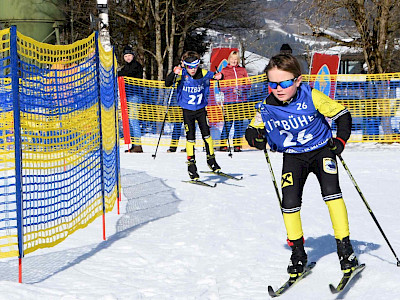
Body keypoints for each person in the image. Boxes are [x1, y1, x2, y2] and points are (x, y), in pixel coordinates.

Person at [245, 54, 359, 277]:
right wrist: (256, 139)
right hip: (293, 156)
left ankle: (345, 249)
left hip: (321, 150)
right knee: (289, 202)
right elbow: (251, 130)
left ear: (297, 81)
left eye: (285, 82)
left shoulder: (311, 95)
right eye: (273, 83)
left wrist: (340, 140)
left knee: (331, 193)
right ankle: (298, 252)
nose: (279, 88)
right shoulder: (267, 106)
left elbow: (343, 115)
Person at [165, 51, 223, 180]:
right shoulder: (182, 73)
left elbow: (216, 76)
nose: (193, 70)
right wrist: (173, 73)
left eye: (195, 67)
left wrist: (220, 75)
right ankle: (191, 166)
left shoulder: (202, 73)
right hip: (187, 111)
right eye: (190, 67)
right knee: (190, 138)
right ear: (185, 66)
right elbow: (167, 83)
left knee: (207, 135)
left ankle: (211, 160)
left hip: (201, 109)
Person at [219, 50, 250, 152]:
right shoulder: (224, 71)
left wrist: (242, 89)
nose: (234, 61)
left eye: (236, 59)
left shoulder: (242, 70)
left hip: (241, 100)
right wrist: (231, 89)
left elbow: (248, 84)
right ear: (229, 59)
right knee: (228, 123)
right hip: (229, 100)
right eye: (232, 59)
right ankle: (223, 144)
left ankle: (237, 145)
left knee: (239, 123)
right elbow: (221, 87)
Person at [118, 45, 144, 153]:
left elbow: (127, 74)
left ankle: (137, 145)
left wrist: (117, 73)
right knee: (129, 120)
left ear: (133, 56)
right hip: (127, 96)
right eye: (126, 56)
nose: (128, 58)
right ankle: (133, 144)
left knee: (133, 119)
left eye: (129, 55)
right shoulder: (125, 67)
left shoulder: (136, 66)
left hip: (135, 96)